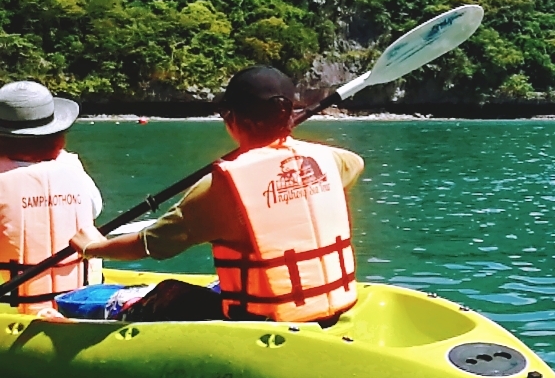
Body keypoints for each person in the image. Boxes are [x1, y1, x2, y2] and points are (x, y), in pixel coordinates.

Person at [71, 66, 365, 323]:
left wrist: (92, 248)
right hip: (332, 308)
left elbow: (150, 245)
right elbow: (355, 163)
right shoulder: (330, 162)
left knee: (168, 293)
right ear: (289, 114)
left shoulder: (222, 188)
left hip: (260, 319)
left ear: (233, 118)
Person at [0, 81, 104, 313]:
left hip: (13, 309)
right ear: (58, 136)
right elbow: (95, 209)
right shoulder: (73, 169)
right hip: (79, 302)